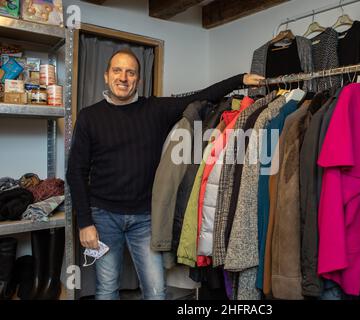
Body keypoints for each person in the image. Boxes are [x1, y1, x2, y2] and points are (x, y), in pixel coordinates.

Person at [66, 48, 264, 300]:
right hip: (104, 216)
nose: (123, 78)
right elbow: (76, 171)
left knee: (157, 291)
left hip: (145, 218)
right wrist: (85, 223)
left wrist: (239, 80)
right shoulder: (89, 117)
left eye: (130, 72)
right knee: (106, 289)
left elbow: (201, 96)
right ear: (106, 76)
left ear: (138, 79)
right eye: (117, 71)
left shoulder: (156, 109)